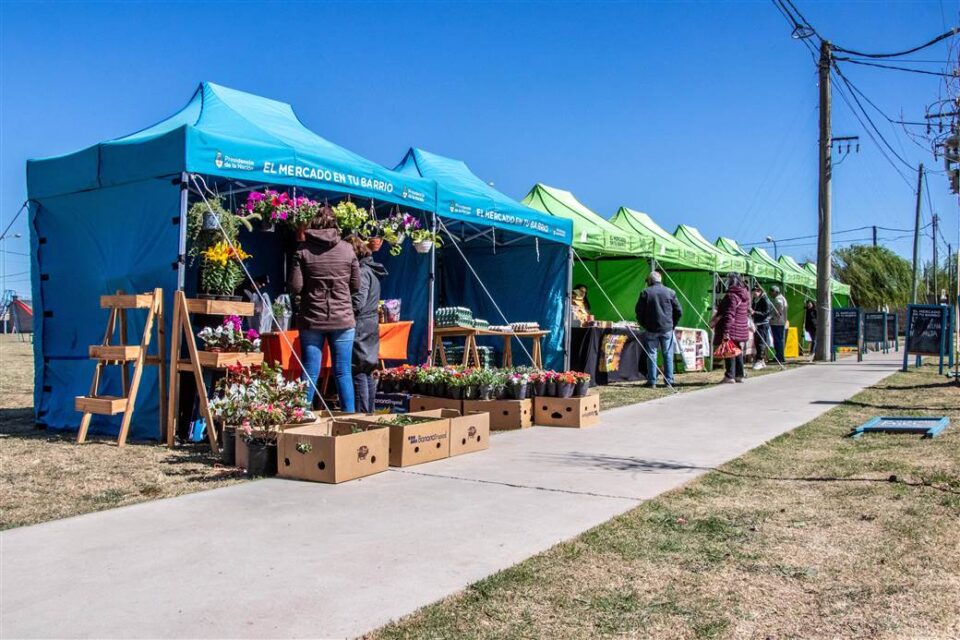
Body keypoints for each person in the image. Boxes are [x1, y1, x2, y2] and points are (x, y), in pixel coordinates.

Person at [288, 206, 360, 411]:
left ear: (313, 224)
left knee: (310, 371)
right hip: (343, 319)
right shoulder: (348, 249)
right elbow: (356, 286)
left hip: (312, 318)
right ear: (335, 224)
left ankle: (300, 418)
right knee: (343, 372)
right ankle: (349, 421)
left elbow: (296, 287)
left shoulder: (302, 251)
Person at [350, 237, 388, 413]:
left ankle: (362, 414)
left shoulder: (362, 272)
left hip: (362, 325)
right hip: (370, 324)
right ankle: (369, 413)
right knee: (368, 370)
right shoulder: (372, 270)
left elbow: (358, 301)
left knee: (358, 369)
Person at [635, 271, 682, 388]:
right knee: (668, 354)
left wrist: (643, 324)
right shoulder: (670, 292)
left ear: (650, 281)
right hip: (667, 328)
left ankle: (652, 381)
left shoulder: (645, 292)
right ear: (660, 279)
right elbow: (679, 311)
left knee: (651, 354)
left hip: (651, 328)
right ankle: (669, 381)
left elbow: (638, 311)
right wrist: (673, 324)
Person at [714, 273, 751, 383]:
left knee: (729, 350)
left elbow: (729, 314)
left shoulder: (731, 295)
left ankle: (730, 375)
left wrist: (726, 331)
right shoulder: (744, 295)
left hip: (733, 327)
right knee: (737, 350)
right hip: (741, 327)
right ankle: (739, 375)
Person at [751, 284, 773, 370]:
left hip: (763, 324)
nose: (755, 293)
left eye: (758, 291)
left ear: (761, 291)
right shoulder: (755, 300)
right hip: (756, 323)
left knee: (761, 342)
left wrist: (754, 312)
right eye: (754, 291)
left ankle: (760, 359)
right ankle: (761, 360)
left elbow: (766, 313)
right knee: (757, 342)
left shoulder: (765, 300)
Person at [769, 285, 788, 364]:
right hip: (781, 322)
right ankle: (779, 356)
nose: (770, 293)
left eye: (771, 291)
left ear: (775, 292)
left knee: (778, 341)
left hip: (777, 322)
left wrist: (773, 316)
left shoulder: (778, 299)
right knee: (780, 340)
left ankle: (780, 357)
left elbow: (778, 310)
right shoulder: (782, 298)